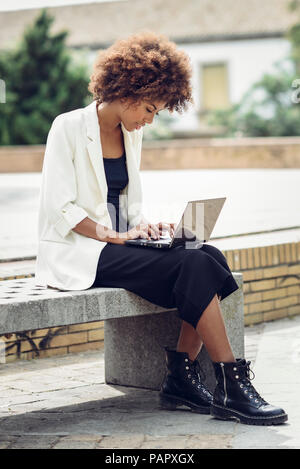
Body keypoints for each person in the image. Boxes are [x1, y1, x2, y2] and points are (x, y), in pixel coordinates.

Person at [35, 31, 287, 426]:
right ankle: (231, 387)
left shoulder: (129, 135)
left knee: (206, 254)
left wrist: (146, 228)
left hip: (119, 244)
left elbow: (123, 204)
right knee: (194, 266)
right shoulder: (66, 127)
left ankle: (183, 378)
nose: (150, 121)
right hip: (79, 250)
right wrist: (117, 235)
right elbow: (59, 209)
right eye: (149, 109)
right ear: (129, 90)